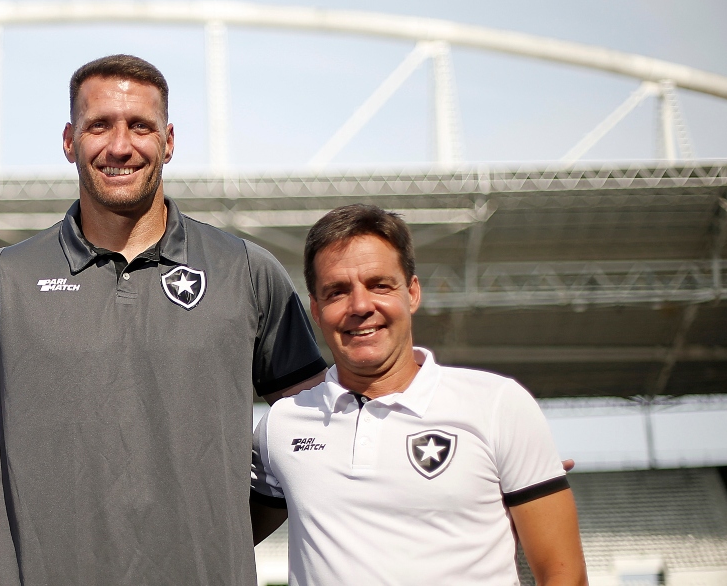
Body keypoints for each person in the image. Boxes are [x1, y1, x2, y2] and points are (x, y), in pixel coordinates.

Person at [0, 54, 328, 585]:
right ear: (69, 140)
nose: (119, 146)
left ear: (170, 140)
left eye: (140, 126)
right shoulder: (2, 278)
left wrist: (223, 527)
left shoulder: (246, 271)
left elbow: (320, 429)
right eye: (98, 126)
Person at [250, 204, 587, 585]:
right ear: (315, 308)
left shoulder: (498, 405)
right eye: (337, 292)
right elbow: (219, 536)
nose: (361, 306)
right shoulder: (282, 424)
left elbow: (565, 575)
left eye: (380, 285)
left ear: (412, 292)